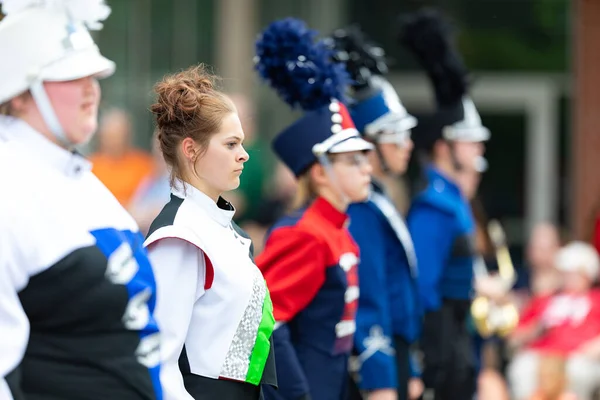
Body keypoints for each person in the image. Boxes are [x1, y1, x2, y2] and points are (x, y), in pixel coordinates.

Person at [0, 1, 162, 399]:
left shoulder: (83, 180)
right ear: (19, 94)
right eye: (71, 76)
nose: (91, 88)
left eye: (94, 74)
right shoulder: (9, 185)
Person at [253, 18, 374, 400]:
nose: (367, 168)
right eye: (352, 161)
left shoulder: (335, 230)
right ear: (320, 173)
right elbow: (264, 323)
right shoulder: (304, 234)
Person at [144, 65, 277, 400]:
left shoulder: (220, 226)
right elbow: (159, 361)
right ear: (191, 150)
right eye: (231, 144)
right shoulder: (180, 235)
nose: (244, 154)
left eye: (242, 143)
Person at [399, 8, 490, 400]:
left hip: (458, 338)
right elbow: (423, 287)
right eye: (469, 141)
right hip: (441, 345)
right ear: (443, 147)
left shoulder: (454, 199)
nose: (479, 148)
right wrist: (424, 358)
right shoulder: (435, 206)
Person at [329, 26, 423, 400]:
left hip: (398, 353)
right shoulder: (362, 209)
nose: (407, 145)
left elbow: (399, 295)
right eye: (394, 135)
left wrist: (410, 366)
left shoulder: (379, 199)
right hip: (377, 363)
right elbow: (369, 296)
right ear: (369, 142)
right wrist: (380, 378)